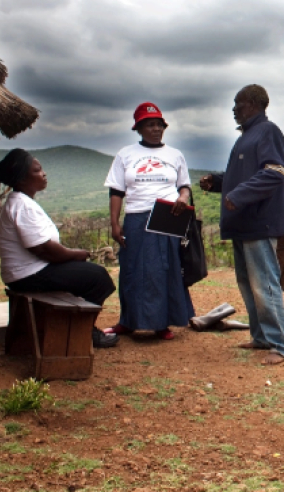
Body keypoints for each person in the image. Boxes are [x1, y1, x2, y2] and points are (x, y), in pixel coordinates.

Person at [199, 84, 284, 365]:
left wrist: (239, 195)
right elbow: (241, 177)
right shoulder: (246, 137)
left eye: (237, 104)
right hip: (243, 224)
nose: (233, 110)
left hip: (259, 223)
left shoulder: (268, 132)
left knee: (264, 285)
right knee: (248, 285)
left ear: (253, 104)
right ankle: (262, 338)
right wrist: (218, 182)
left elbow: (274, 174)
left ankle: (281, 344)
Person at [0, 149, 118, 348]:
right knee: (98, 278)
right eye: (37, 170)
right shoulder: (22, 205)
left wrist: (74, 256)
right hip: (28, 275)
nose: (44, 174)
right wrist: (76, 254)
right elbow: (44, 250)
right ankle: (82, 332)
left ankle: (76, 329)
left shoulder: (21, 202)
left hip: (27, 272)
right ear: (23, 178)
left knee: (87, 274)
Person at [104, 102, 196, 340]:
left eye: (159, 124)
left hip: (167, 217)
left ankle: (161, 323)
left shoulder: (175, 155)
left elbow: (184, 186)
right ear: (138, 128)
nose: (156, 129)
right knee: (132, 269)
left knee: (163, 269)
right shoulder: (126, 155)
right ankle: (128, 321)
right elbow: (116, 191)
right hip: (136, 216)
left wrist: (183, 198)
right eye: (149, 124)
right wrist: (115, 223)